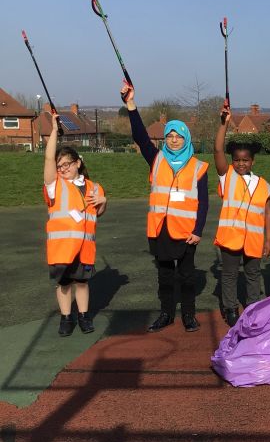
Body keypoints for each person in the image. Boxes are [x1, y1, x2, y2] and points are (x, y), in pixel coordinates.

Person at [122, 82, 209, 333]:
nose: (173, 139)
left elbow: (203, 202)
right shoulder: (156, 159)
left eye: (178, 136)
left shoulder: (198, 167)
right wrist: (131, 105)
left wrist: (198, 230)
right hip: (160, 228)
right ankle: (166, 314)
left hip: (186, 231)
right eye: (170, 135)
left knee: (187, 276)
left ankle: (189, 315)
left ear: (186, 138)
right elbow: (139, 136)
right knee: (165, 276)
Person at [43, 113, 107, 336]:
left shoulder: (94, 186)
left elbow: (99, 213)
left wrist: (103, 201)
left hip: (85, 248)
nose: (62, 168)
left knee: (82, 283)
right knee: (64, 285)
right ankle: (66, 318)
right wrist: (53, 131)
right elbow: (48, 160)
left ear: (78, 163)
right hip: (62, 248)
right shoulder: (55, 186)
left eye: (67, 164)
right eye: (60, 166)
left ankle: (84, 316)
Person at [213, 105, 270, 326]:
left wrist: (269, 239)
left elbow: (268, 213)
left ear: (252, 162)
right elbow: (218, 150)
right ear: (232, 162)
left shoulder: (263, 185)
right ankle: (230, 308)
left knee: (252, 274)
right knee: (229, 274)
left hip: (254, 239)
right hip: (231, 237)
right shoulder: (227, 177)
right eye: (237, 160)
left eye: (245, 160)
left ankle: (252, 307)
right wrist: (224, 124)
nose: (241, 163)